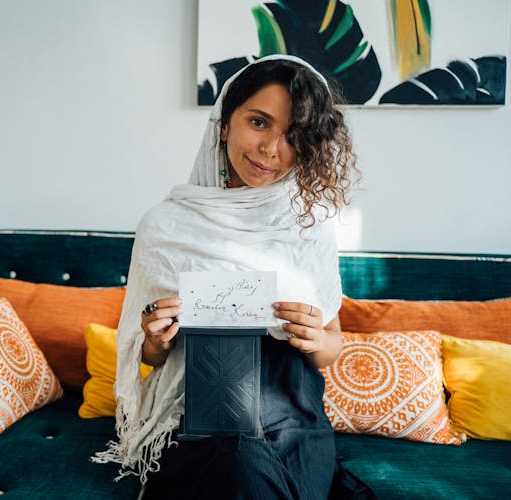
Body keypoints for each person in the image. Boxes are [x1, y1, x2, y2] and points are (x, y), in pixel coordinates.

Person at [93, 55, 365, 499]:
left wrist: (316, 339)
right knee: (240, 468)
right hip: (193, 418)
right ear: (224, 124)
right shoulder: (164, 225)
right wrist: (156, 339)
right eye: (259, 122)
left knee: (252, 475)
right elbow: (150, 358)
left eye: (293, 135)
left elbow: (331, 344)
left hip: (294, 420)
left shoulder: (309, 225)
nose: (271, 149)